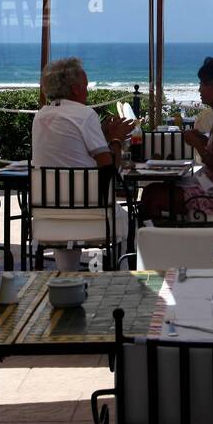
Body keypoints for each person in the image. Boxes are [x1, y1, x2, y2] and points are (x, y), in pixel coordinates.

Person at [31, 57, 135, 269]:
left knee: (69, 206)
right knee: (130, 218)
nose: (87, 93)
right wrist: (116, 139)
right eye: (85, 87)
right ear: (75, 89)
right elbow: (108, 170)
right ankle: (123, 278)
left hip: (50, 213)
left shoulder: (41, 116)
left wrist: (103, 137)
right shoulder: (84, 114)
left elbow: (72, 152)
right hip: (93, 214)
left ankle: (66, 276)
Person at [143, 57, 213, 223]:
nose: (200, 89)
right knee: (151, 191)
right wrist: (202, 139)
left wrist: (197, 145)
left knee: (155, 196)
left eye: (206, 84)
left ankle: (156, 242)